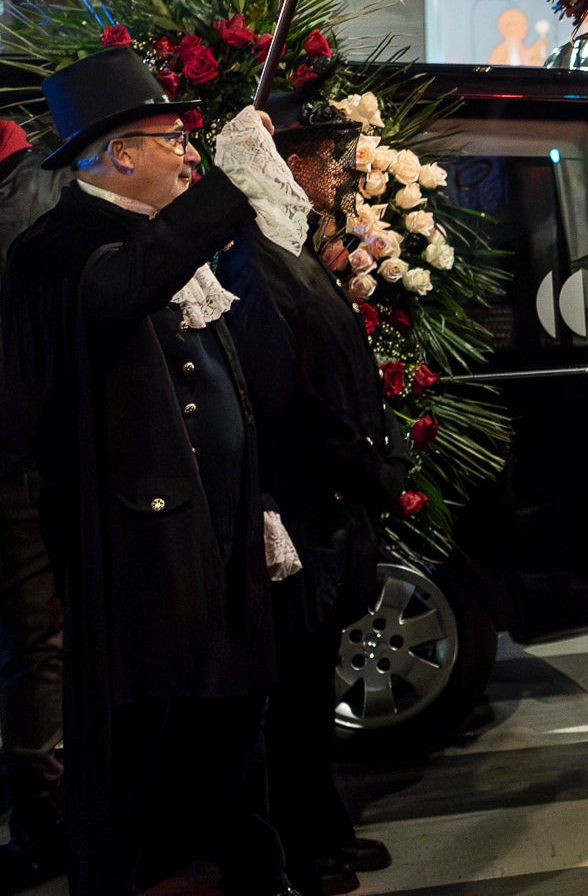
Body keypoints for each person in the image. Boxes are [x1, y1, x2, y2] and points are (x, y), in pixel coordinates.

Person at [0, 47, 291, 896]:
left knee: (233, 739)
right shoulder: (59, 247)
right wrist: (226, 188)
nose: (189, 153)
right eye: (173, 139)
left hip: (214, 542)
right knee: (147, 763)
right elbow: (118, 289)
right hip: (136, 567)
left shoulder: (154, 237)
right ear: (120, 154)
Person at [210, 92, 407, 895]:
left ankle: (322, 825)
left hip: (326, 501)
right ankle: (308, 843)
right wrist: (366, 464)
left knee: (309, 685)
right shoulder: (256, 259)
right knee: (293, 694)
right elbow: (289, 400)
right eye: (327, 155)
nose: (338, 170)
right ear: (289, 164)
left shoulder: (288, 249)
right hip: (304, 503)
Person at [0, 122, 65, 894]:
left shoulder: (33, 193)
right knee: (36, 641)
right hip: (22, 457)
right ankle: (42, 806)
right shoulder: (39, 191)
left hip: (22, 457)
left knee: (36, 642)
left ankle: (42, 807)